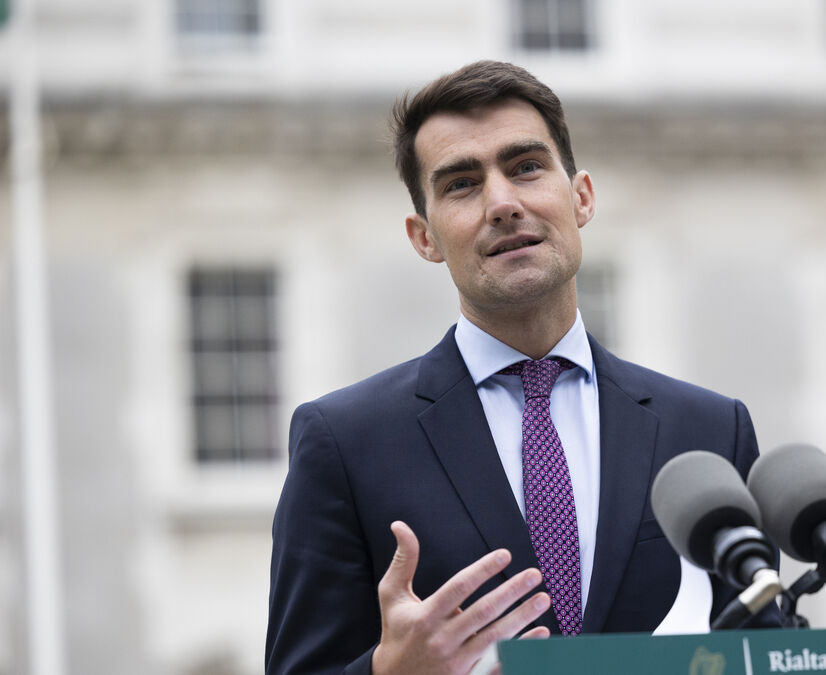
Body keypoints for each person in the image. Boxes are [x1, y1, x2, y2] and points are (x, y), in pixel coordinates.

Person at [266, 60, 778, 675]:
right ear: (424, 237)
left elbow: (761, 654)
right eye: (462, 184)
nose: (503, 203)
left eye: (526, 167)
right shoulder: (345, 443)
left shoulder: (711, 432)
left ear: (581, 197)